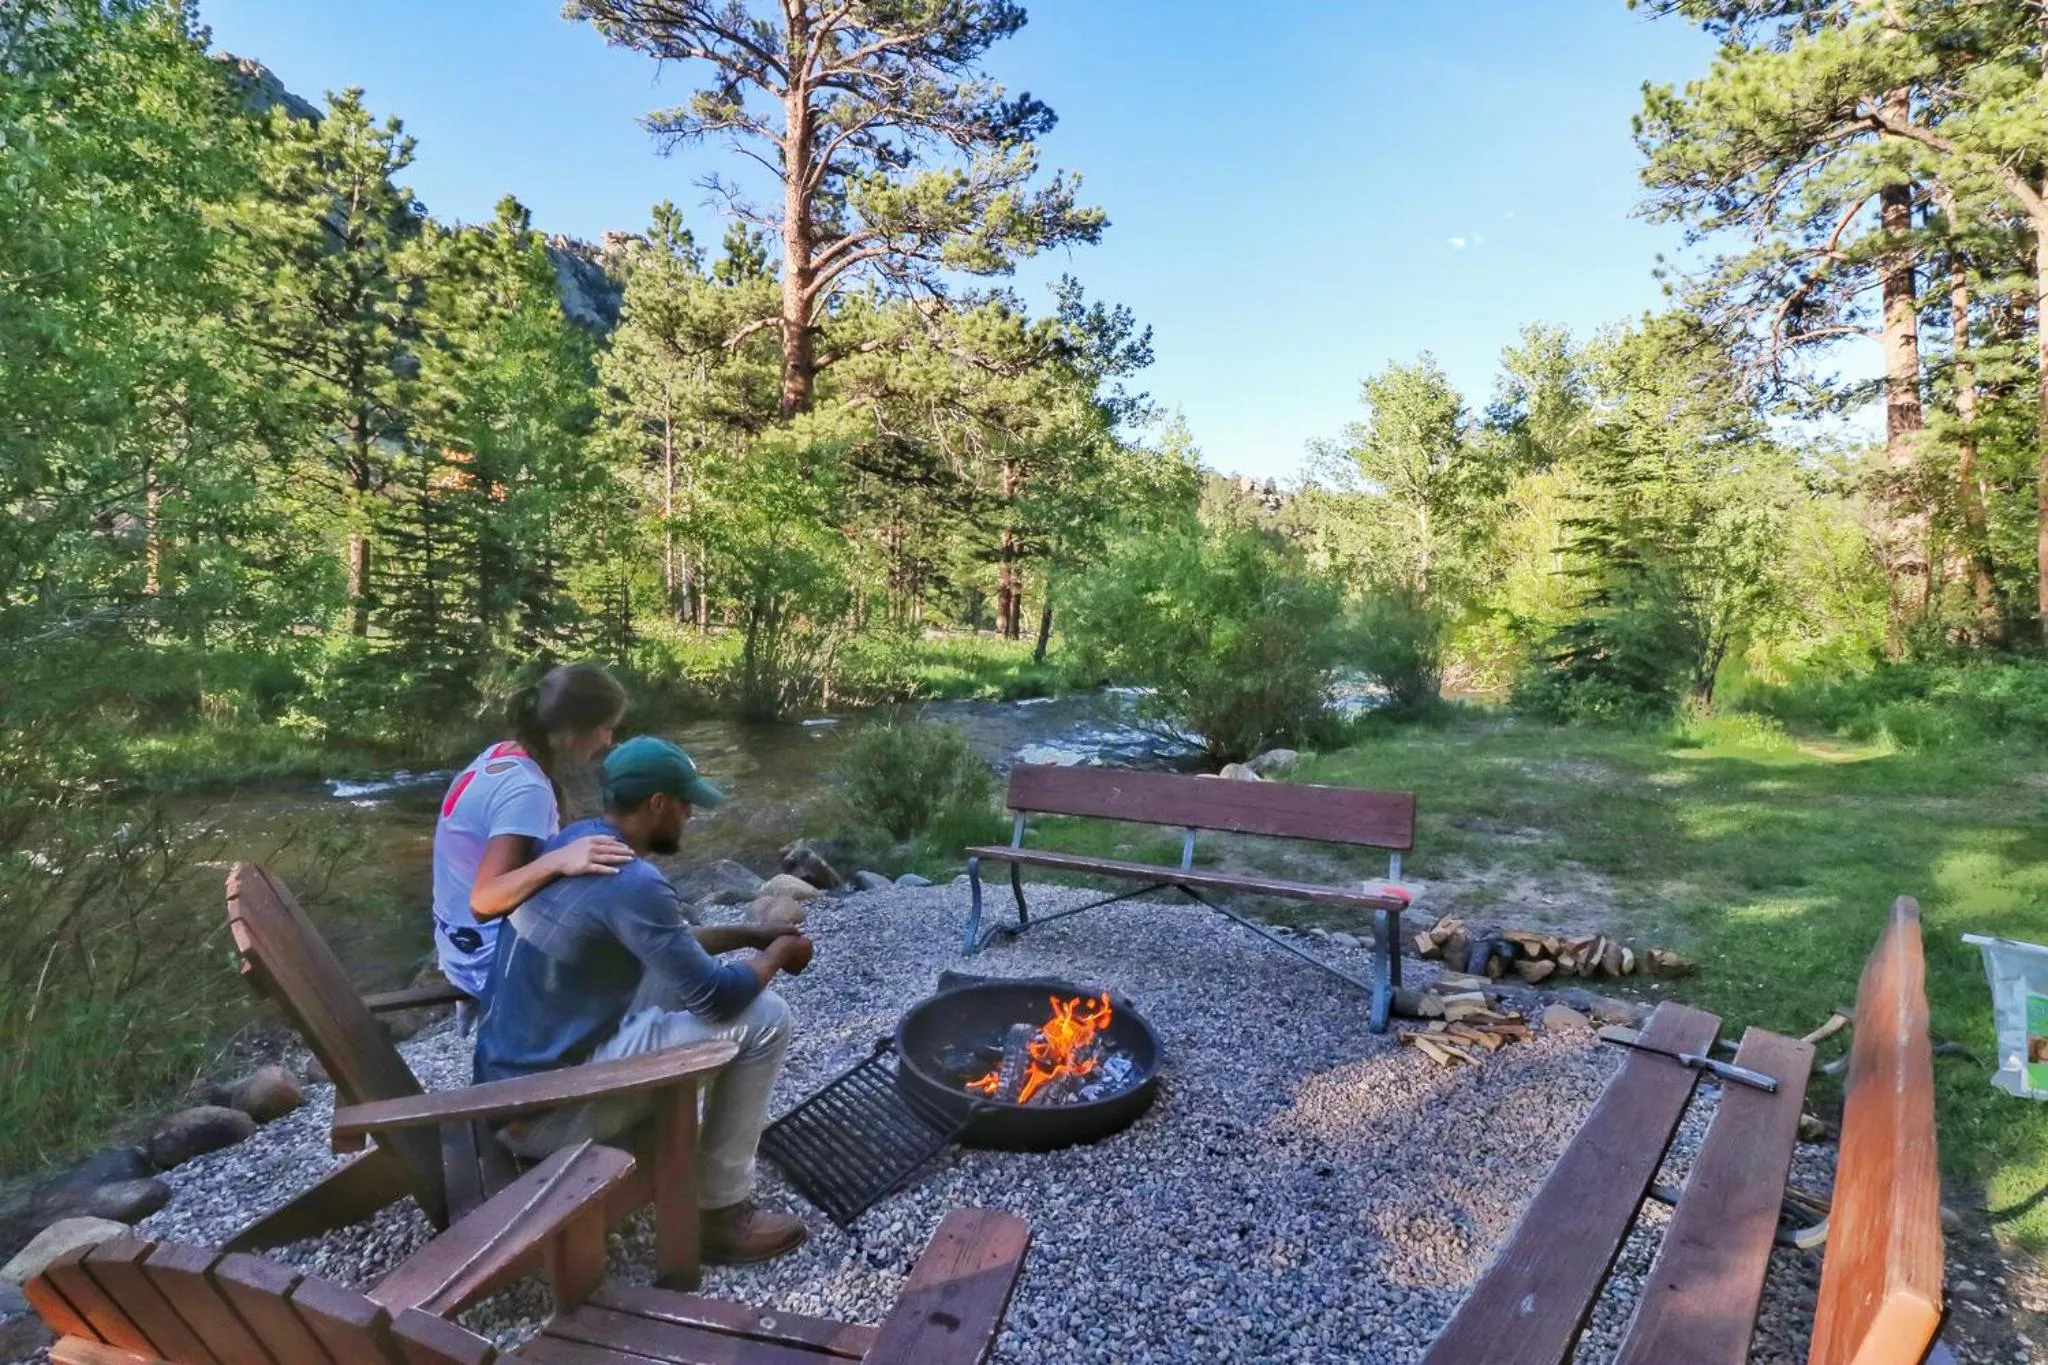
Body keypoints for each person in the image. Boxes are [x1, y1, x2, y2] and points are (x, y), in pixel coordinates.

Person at [474, 735, 813, 1264]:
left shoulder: (577, 844)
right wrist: (777, 957)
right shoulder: (634, 883)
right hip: (547, 1116)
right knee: (767, 1016)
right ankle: (719, 1215)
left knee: (676, 978)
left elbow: (668, 945)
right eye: (686, 805)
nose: (690, 818)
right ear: (658, 805)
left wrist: (750, 936)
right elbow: (718, 999)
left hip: (510, 1088)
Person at [431, 663, 633, 1024]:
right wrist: (561, 860)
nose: (608, 740)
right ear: (573, 731)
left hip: (458, 947)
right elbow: (485, 899)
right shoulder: (527, 789)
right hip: (486, 961)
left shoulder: (503, 754)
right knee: (641, 967)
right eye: (606, 728)